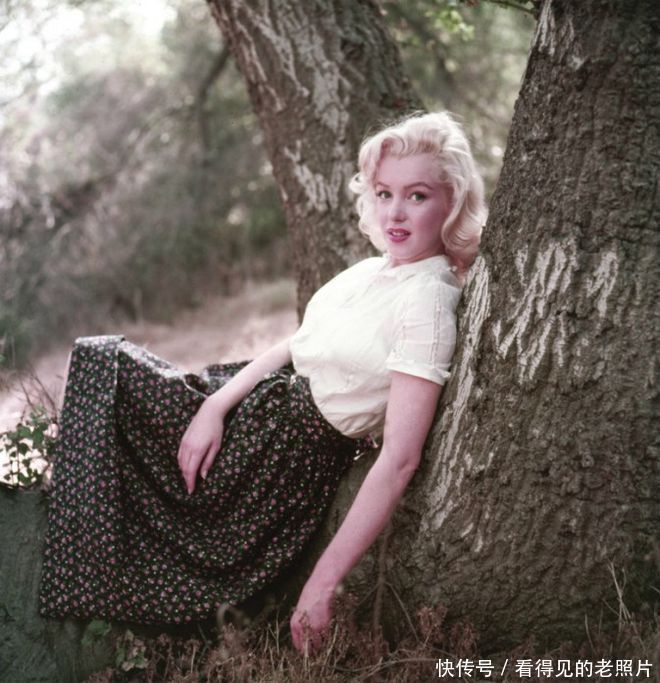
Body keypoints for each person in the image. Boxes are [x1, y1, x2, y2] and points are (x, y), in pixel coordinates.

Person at [38, 111, 486, 655]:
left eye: (417, 196)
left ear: (453, 202)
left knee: (107, 373)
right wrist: (214, 407)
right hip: (253, 400)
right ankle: (75, 556)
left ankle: (80, 584)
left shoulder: (428, 301)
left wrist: (323, 585)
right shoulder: (375, 270)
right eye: (384, 192)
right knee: (101, 366)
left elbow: (400, 459)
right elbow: (294, 345)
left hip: (277, 463)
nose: (394, 212)